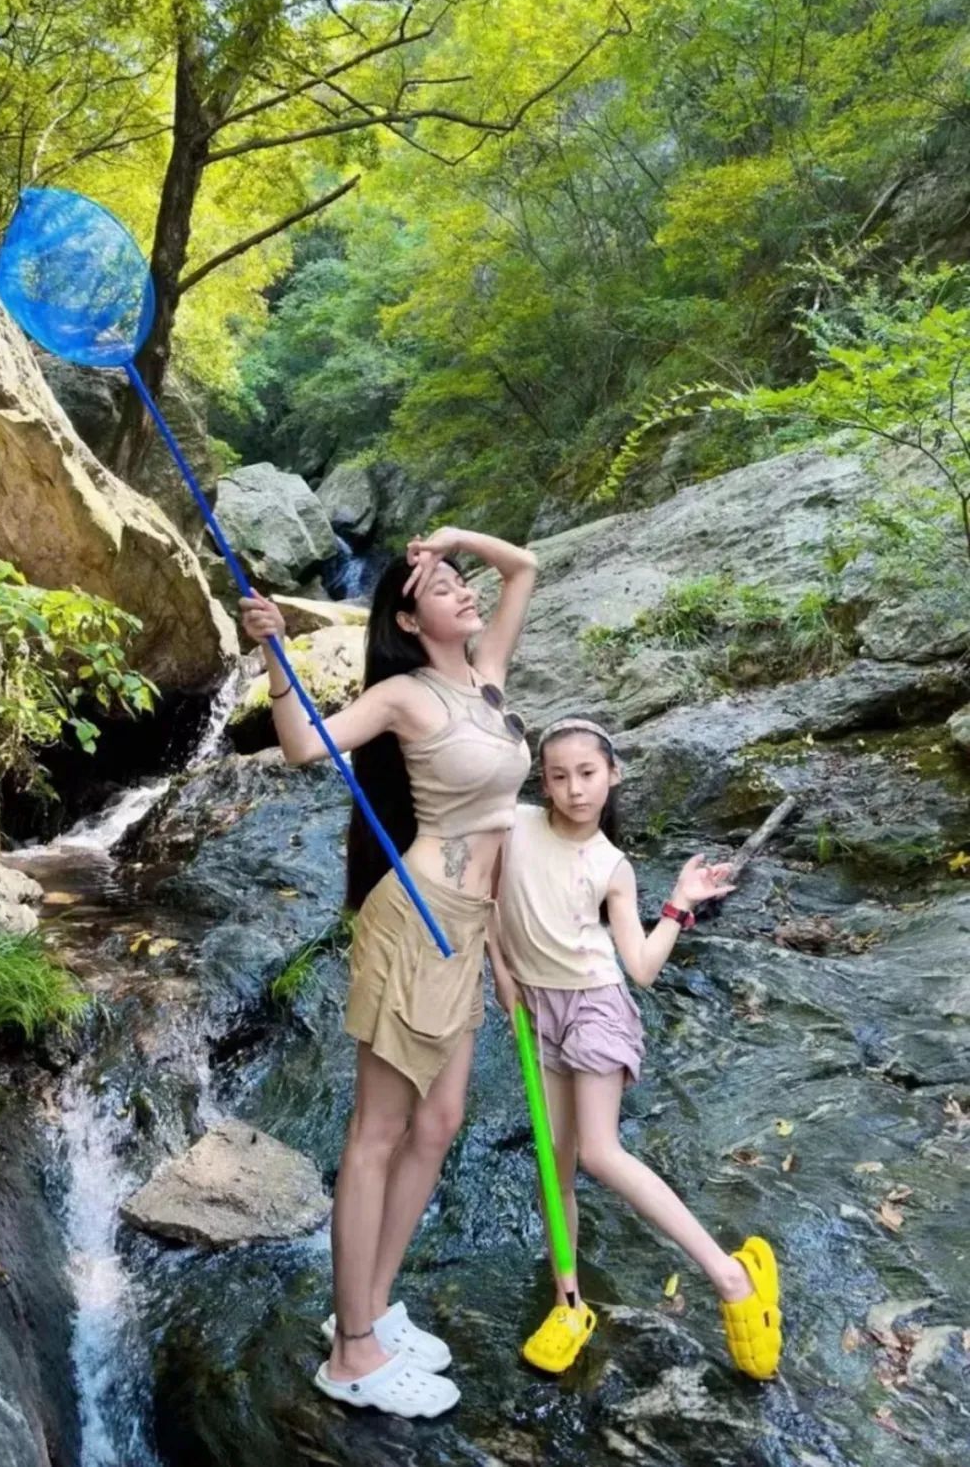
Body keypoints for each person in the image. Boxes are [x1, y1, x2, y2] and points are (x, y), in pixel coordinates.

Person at [239, 527, 537, 1419]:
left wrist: (450, 541)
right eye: (443, 586)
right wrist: (273, 653)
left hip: (469, 928)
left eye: (459, 580)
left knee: (439, 1123)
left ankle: (367, 1307)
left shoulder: (486, 678)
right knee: (378, 1132)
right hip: (415, 921)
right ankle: (352, 1354)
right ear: (408, 621)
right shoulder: (404, 694)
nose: (465, 589)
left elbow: (524, 566)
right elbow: (305, 747)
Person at [488, 716, 782, 1381]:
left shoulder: (611, 866)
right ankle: (569, 1304)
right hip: (537, 1009)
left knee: (598, 1152)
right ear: (542, 782)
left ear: (613, 775)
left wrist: (678, 904)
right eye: (559, 776)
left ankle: (730, 1275)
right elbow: (483, 896)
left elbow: (642, 968)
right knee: (554, 1166)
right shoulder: (513, 824)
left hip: (595, 1005)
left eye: (587, 773)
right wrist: (500, 974)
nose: (574, 788)